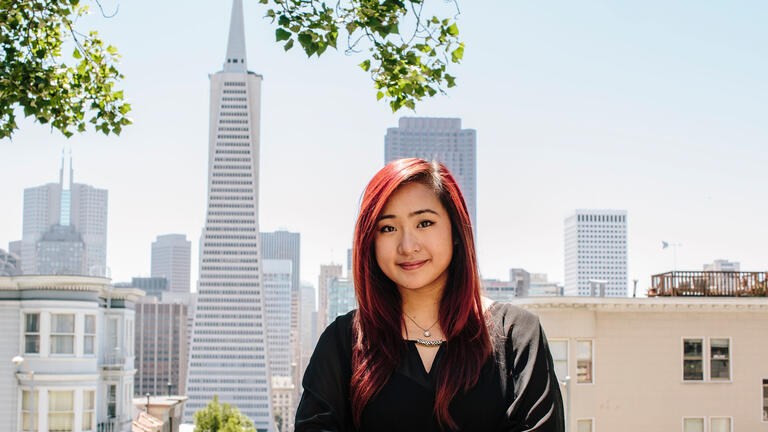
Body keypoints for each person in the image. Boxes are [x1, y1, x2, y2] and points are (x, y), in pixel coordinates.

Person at [295, 158, 564, 431]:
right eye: (388, 228)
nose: (407, 246)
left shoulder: (517, 335)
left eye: (424, 223)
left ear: (456, 231)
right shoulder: (343, 342)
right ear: (370, 242)